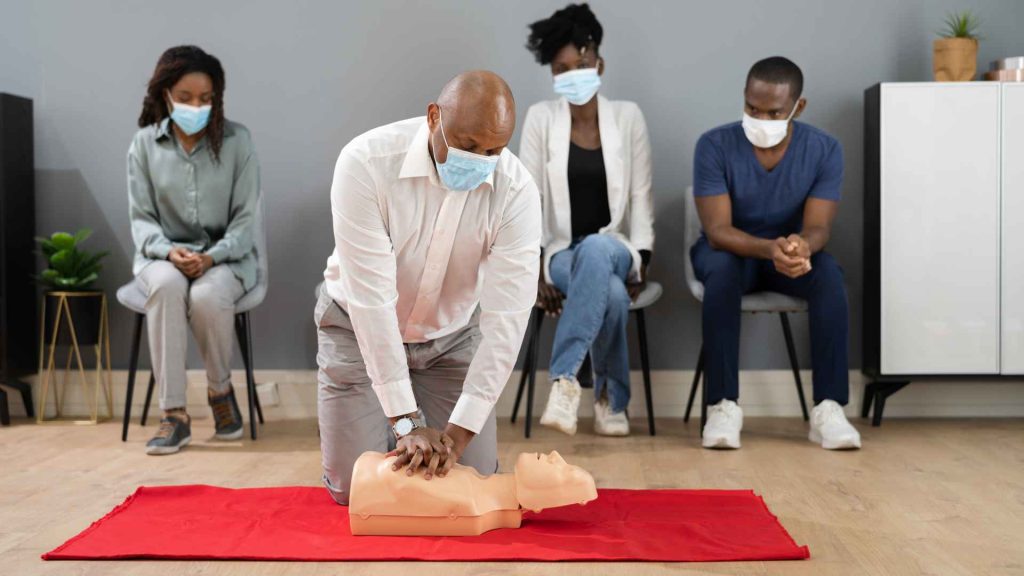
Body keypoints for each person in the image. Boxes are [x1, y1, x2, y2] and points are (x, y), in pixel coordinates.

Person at [316, 71, 542, 505]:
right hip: (357, 329)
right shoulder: (364, 162)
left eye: (494, 150)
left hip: (452, 338)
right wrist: (405, 422)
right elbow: (372, 302)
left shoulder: (517, 191)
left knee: (473, 481)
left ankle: (395, 418)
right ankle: (368, 415)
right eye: (469, 146)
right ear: (434, 116)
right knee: (352, 491)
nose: (481, 161)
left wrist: (459, 434)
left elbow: (507, 321)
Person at [691, 56, 860, 450]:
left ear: (798, 108)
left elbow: (819, 227)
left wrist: (802, 246)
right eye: (752, 108)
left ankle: (829, 407)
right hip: (730, 253)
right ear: (744, 98)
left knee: (829, 275)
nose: (760, 119)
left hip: (786, 255)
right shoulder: (713, 145)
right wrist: (772, 248)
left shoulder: (824, 149)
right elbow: (717, 231)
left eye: (773, 112)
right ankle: (722, 405)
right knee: (722, 273)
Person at [519, 3, 654, 437]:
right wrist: (533, 266)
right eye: (562, 68)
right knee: (611, 295)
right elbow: (527, 198)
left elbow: (641, 194)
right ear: (552, 74)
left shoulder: (628, 117)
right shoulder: (541, 119)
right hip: (559, 253)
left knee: (599, 249)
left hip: (615, 246)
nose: (573, 74)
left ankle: (563, 380)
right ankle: (610, 401)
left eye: (581, 63)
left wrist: (643, 257)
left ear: (599, 62)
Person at [128, 45, 260, 455]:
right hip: (161, 258)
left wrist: (212, 257)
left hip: (224, 258)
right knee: (167, 287)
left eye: (205, 99)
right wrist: (169, 252)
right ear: (165, 93)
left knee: (206, 295)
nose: (196, 106)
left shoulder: (238, 141)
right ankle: (174, 415)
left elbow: (245, 220)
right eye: (185, 98)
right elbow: (142, 219)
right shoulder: (144, 145)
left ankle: (220, 393)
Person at [349, 450, 597, 536]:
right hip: (375, 359)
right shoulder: (475, 487)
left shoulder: (471, 501)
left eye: (566, 471)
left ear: (541, 501)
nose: (556, 456)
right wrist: (405, 424)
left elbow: (395, 480)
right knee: (343, 482)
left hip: (368, 476)